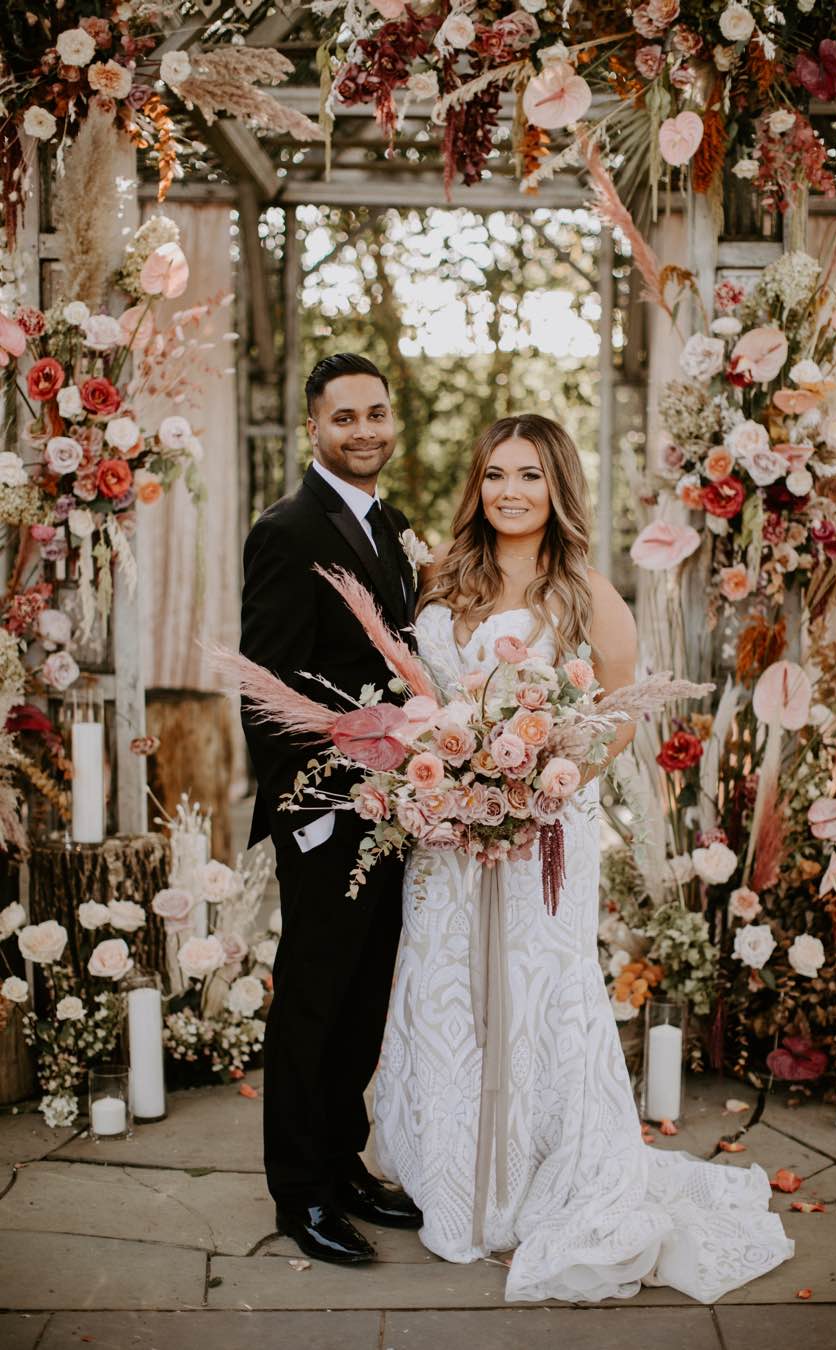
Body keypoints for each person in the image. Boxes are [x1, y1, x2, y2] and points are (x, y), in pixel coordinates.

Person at [373, 414, 794, 1303]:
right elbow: (421, 699)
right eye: (494, 475)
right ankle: (455, 1180)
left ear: (558, 484)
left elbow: (619, 713)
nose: (509, 491)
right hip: (450, 838)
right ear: (477, 487)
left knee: (538, 997)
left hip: (542, 836)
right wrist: (447, 774)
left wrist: (539, 787)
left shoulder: (585, 591)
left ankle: (541, 1180)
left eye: (528, 473)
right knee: (444, 987)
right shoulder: (442, 580)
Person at [240, 353, 421, 1264]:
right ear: (314, 426)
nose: (365, 431)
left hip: (396, 812)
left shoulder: (389, 526)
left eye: (377, 414)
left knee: (361, 1002)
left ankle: (344, 1164)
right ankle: (300, 1194)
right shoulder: (288, 529)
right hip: (327, 818)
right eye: (344, 417)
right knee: (311, 1004)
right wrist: (309, 809)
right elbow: (266, 688)